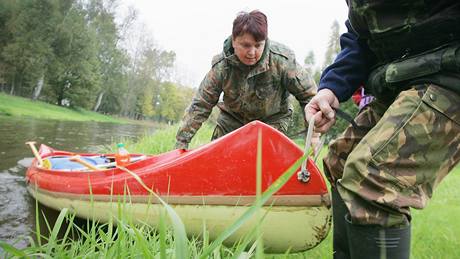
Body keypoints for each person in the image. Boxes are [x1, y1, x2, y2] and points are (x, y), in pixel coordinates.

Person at [304, 1, 460, 258]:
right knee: (339, 160)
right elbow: (361, 35)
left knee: (373, 178)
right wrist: (331, 87)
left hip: (449, 73)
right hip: (398, 78)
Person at [175, 10, 317, 149]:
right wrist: (181, 143)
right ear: (234, 41)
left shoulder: (282, 61)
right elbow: (200, 105)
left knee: (264, 166)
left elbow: (309, 96)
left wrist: (314, 135)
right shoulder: (221, 67)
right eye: (246, 45)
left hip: (272, 123)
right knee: (220, 164)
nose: (252, 52)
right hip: (231, 122)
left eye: (258, 45)